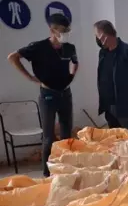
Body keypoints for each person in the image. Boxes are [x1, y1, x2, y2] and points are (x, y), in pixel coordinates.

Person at [7, 13, 78, 177]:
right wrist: (29, 77)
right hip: (48, 95)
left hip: (65, 94)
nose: (65, 33)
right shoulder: (38, 47)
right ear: (52, 30)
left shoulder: (69, 47)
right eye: (62, 30)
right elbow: (13, 57)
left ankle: (65, 170)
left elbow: (75, 62)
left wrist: (71, 76)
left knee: (67, 135)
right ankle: (47, 174)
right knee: (49, 137)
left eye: (68, 30)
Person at [94, 20, 128, 137]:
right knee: (116, 142)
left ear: (108, 34)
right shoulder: (102, 53)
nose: (98, 39)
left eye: (99, 36)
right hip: (109, 107)